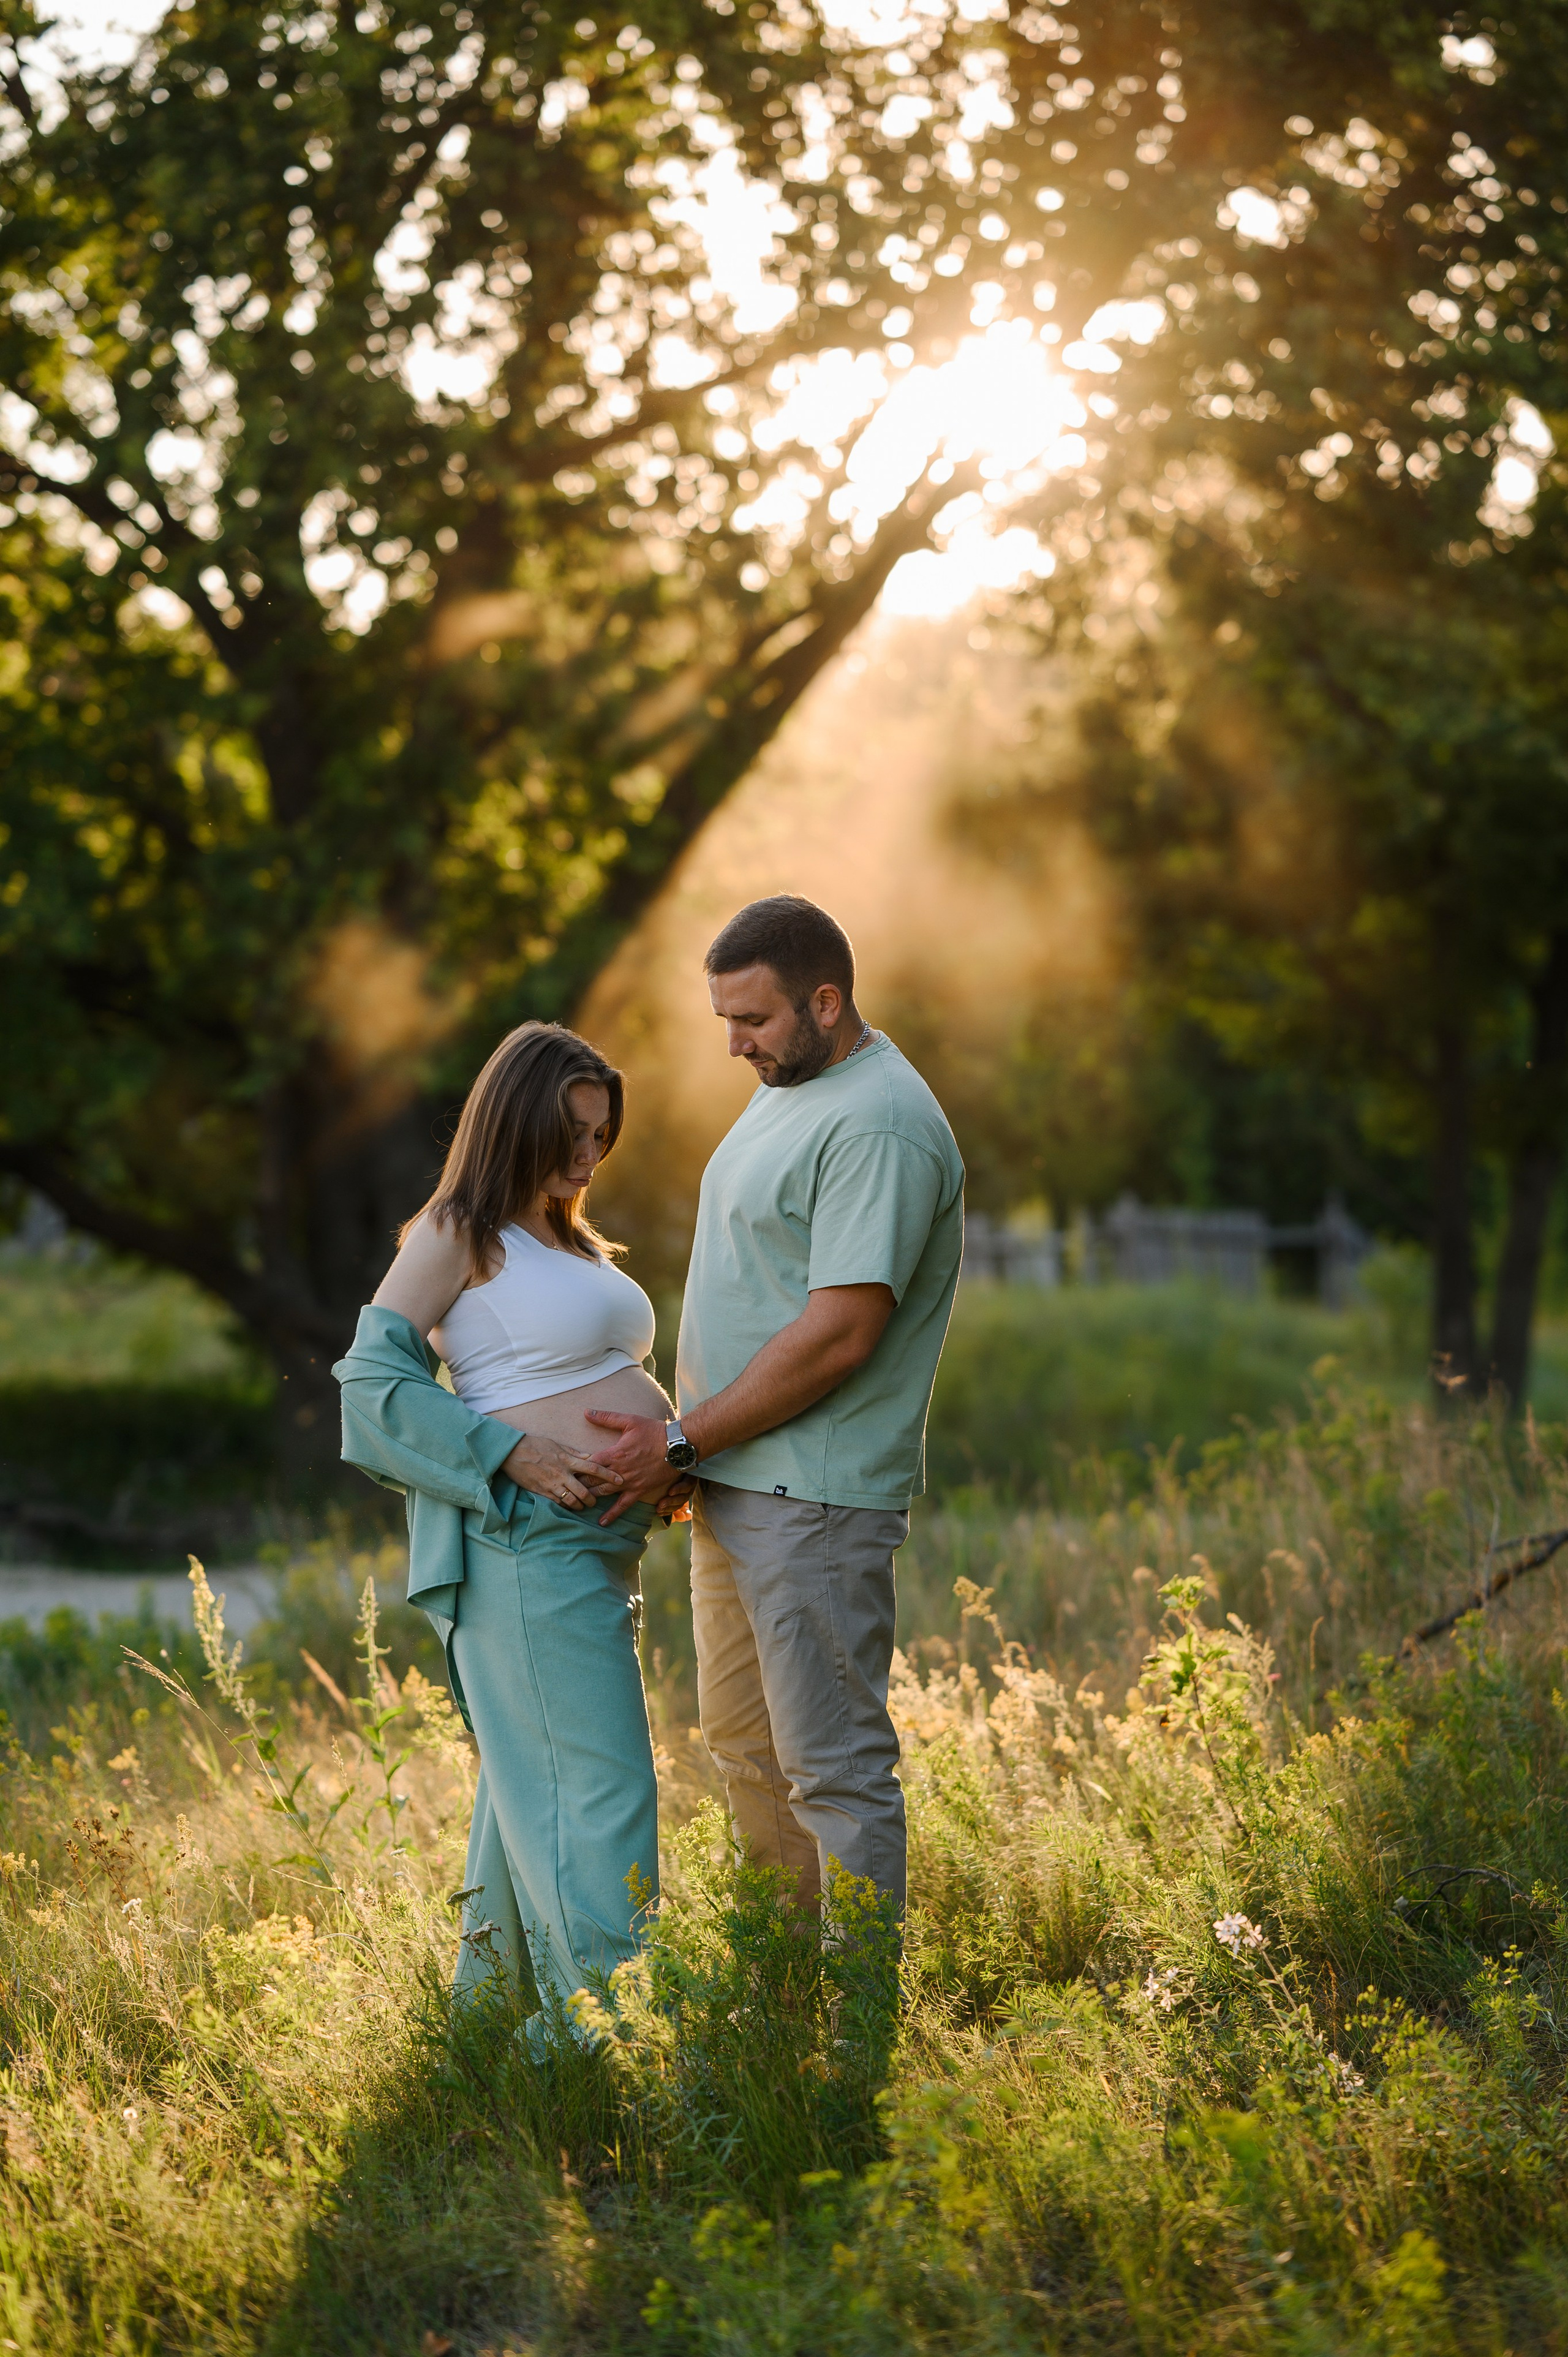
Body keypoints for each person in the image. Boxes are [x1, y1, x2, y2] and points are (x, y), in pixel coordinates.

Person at [587, 895, 964, 1914]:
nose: (734, 1044)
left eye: (752, 1021)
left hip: (817, 1496)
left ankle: (852, 2038)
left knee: (833, 1771)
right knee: (746, 1753)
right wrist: (693, 1453)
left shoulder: (879, 1122)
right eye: (724, 1020)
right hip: (733, 1476)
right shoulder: (794, 1085)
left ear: (827, 1002)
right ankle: (782, 2003)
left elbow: (842, 1331)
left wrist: (678, 1439)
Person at [333, 1022, 682, 2024]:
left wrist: (668, 1467)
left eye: (602, 1137)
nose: (587, 1155)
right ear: (514, 1121)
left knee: (531, 1800)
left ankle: (493, 2041)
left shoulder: (569, 1240)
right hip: (525, 1544)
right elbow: (370, 1381)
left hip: (592, 1550)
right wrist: (512, 1451)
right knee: (599, 1798)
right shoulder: (457, 1232)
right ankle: (618, 2039)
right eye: (570, 1132)